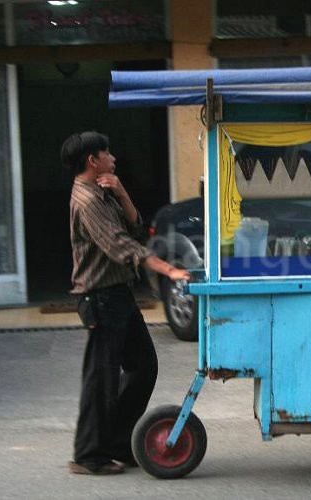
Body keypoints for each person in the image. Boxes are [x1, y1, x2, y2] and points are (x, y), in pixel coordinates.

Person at [61, 131, 191, 475]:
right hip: (100, 298)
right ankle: (88, 455)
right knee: (100, 379)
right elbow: (123, 247)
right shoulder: (87, 202)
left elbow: (135, 228)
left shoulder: (102, 193)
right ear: (93, 160)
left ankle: (119, 443)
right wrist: (169, 270)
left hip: (118, 295)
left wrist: (120, 190)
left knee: (143, 365)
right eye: (107, 152)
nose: (113, 158)